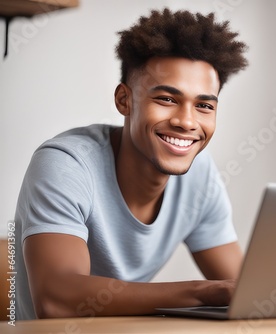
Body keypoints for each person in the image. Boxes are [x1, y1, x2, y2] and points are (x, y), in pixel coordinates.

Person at [14, 8, 248, 320]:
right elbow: (57, 300)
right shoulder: (66, 165)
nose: (186, 121)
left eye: (204, 105)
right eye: (166, 99)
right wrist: (201, 292)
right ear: (125, 100)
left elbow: (248, 293)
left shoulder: (200, 177)